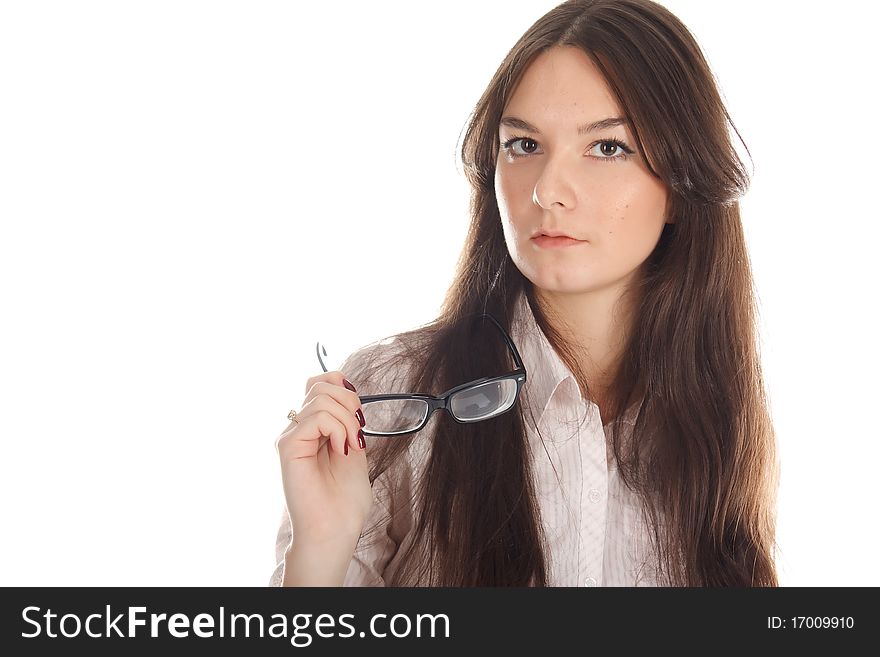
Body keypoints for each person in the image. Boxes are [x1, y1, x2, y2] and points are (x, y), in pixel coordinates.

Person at [271, 0, 780, 587]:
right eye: (524, 145)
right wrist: (319, 550)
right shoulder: (395, 400)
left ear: (683, 179)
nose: (547, 191)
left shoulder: (720, 430)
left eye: (607, 147)